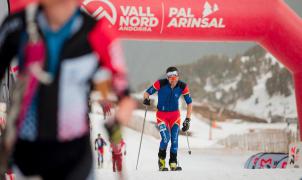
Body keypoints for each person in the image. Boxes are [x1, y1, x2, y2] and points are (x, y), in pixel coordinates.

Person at [0, 0, 136, 179]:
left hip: (73, 155)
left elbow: (122, 87)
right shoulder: (17, 25)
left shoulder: (96, 30)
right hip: (28, 155)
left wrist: (123, 108)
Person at [143, 66, 192, 171]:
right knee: (166, 138)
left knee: (174, 139)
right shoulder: (160, 84)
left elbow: (189, 103)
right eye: (170, 77)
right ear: (167, 77)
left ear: (178, 77)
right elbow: (147, 93)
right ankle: (161, 161)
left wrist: (188, 119)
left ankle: (173, 163)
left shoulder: (183, 86)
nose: (173, 79)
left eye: (175, 76)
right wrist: (146, 99)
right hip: (162, 116)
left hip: (175, 116)